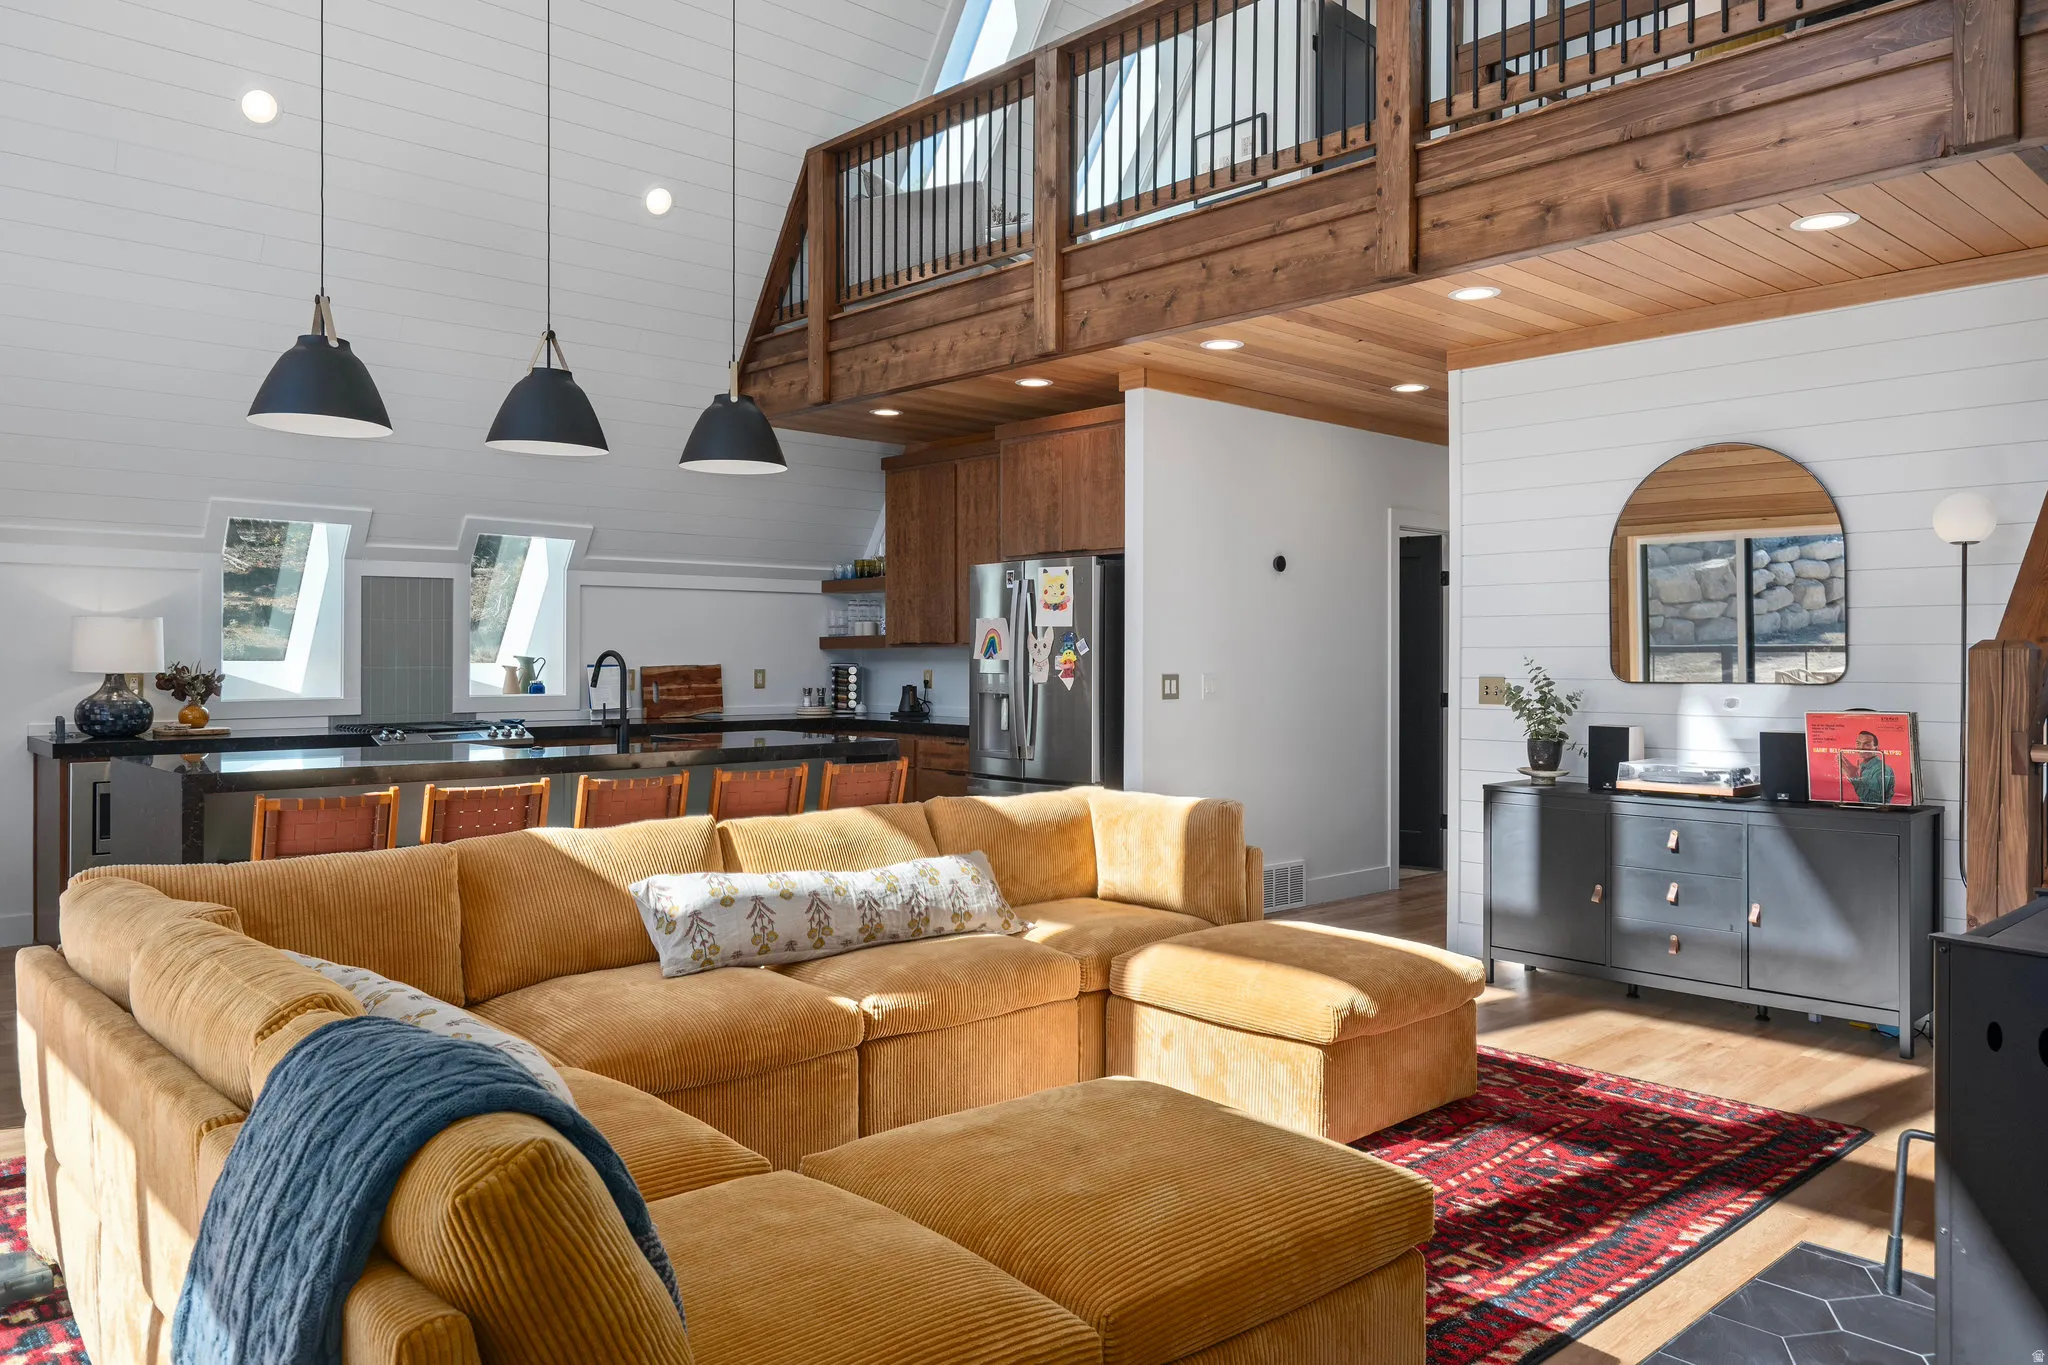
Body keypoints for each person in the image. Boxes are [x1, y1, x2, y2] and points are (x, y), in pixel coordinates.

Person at [1847, 730, 1896, 805]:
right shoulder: (1863, 767)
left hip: (1877, 814)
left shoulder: (1881, 770)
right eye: (1858, 743)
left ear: (1876, 748)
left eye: (1866, 744)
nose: (1861, 747)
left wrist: (1853, 777)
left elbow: (1874, 801)